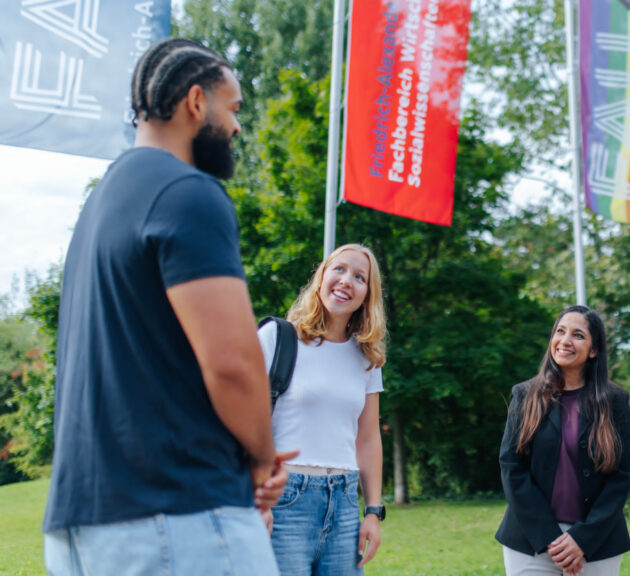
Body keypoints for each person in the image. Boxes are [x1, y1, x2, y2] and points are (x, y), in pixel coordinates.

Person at [43, 38, 293, 575]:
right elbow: (232, 363)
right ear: (196, 103)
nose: (237, 126)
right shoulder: (187, 192)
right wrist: (263, 459)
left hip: (81, 530)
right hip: (177, 518)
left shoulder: (101, 203)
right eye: (234, 108)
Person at [259, 243, 387, 575]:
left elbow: (369, 438)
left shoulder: (367, 358)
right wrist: (256, 497)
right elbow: (247, 423)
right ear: (321, 278)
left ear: (366, 295)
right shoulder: (278, 337)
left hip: (344, 503)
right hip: (284, 499)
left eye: (360, 277)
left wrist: (372, 511)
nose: (347, 280)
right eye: (339, 269)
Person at [496, 305, 630, 576]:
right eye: (560, 331)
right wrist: (550, 537)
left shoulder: (615, 401)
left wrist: (582, 539)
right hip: (530, 540)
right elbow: (512, 467)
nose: (565, 340)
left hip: (598, 541)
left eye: (578, 335)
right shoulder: (525, 395)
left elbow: (623, 474)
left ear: (594, 350)